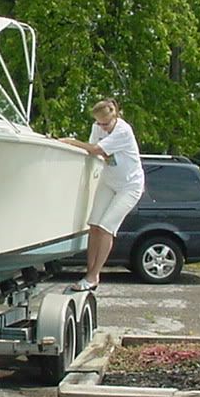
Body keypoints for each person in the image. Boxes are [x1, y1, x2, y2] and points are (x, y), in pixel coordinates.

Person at [60, 98, 144, 291]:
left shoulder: (123, 130)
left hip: (129, 186)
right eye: (99, 123)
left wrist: (71, 141)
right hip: (108, 180)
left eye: (106, 124)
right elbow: (92, 151)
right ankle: (91, 273)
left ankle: (93, 275)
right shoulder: (97, 127)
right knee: (94, 225)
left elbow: (96, 149)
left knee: (107, 227)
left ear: (115, 116)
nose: (102, 128)